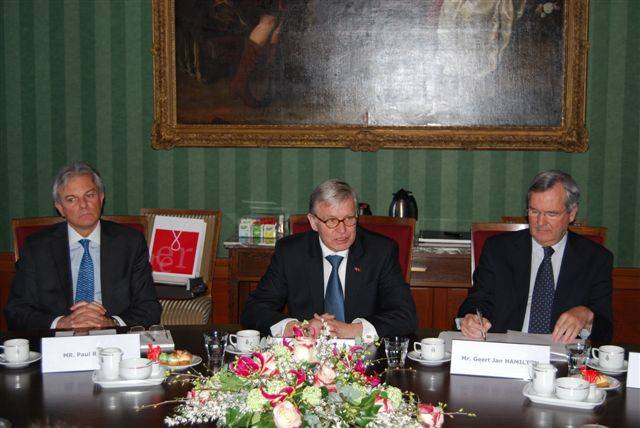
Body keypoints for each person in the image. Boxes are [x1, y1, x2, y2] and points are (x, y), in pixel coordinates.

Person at [241, 179, 417, 339]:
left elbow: (405, 316)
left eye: (349, 219)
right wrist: (297, 328)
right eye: (332, 221)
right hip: (307, 354)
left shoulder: (380, 252)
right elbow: (253, 310)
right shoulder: (291, 253)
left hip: (365, 354)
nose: (342, 230)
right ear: (313, 222)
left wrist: (353, 330)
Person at [457, 170, 613, 343]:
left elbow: (605, 331)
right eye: (534, 211)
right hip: (506, 350)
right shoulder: (498, 250)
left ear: (572, 214)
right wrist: (471, 319)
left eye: (551, 214)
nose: (540, 222)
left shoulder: (595, 259)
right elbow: (477, 301)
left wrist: (587, 316)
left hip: (561, 353)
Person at [5, 162, 162, 330]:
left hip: (113, 338)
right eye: (71, 199)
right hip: (59, 339)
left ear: (101, 198)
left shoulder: (130, 242)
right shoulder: (36, 247)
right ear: (60, 208)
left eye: (90, 195)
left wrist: (111, 323)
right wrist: (61, 323)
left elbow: (149, 308)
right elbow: (16, 311)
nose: (83, 205)